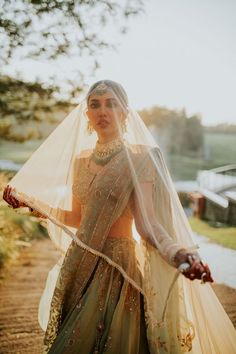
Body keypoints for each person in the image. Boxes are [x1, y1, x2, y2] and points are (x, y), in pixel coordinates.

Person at [3, 80, 236, 354]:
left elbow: (148, 224)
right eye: (95, 104)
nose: (103, 111)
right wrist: (32, 204)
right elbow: (78, 217)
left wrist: (180, 254)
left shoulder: (140, 159)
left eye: (111, 103)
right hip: (78, 266)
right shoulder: (80, 160)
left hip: (117, 271)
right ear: (86, 114)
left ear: (125, 112)